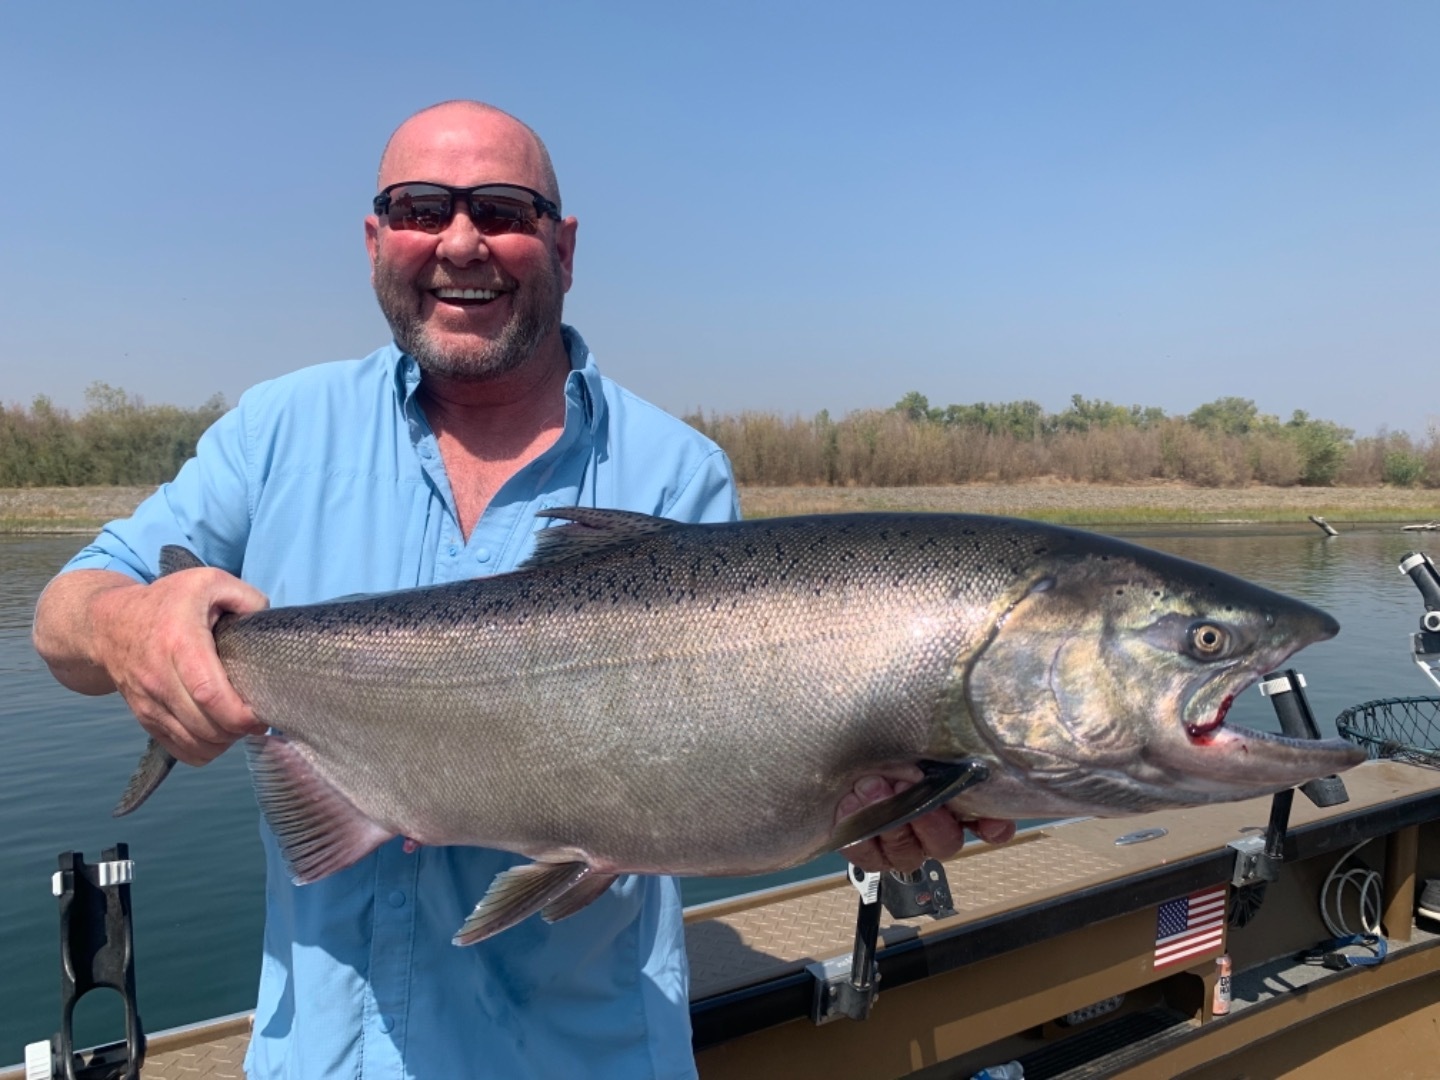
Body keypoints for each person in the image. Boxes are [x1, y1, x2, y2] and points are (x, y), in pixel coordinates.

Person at [32, 100, 1013, 1078]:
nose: (462, 242)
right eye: (422, 208)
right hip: (325, 1059)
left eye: (502, 210)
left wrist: (878, 814)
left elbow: (742, 763)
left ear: (564, 245)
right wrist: (128, 624)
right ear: (377, 239)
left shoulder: (677, 472)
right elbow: (67, 614)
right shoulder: (278, 432)